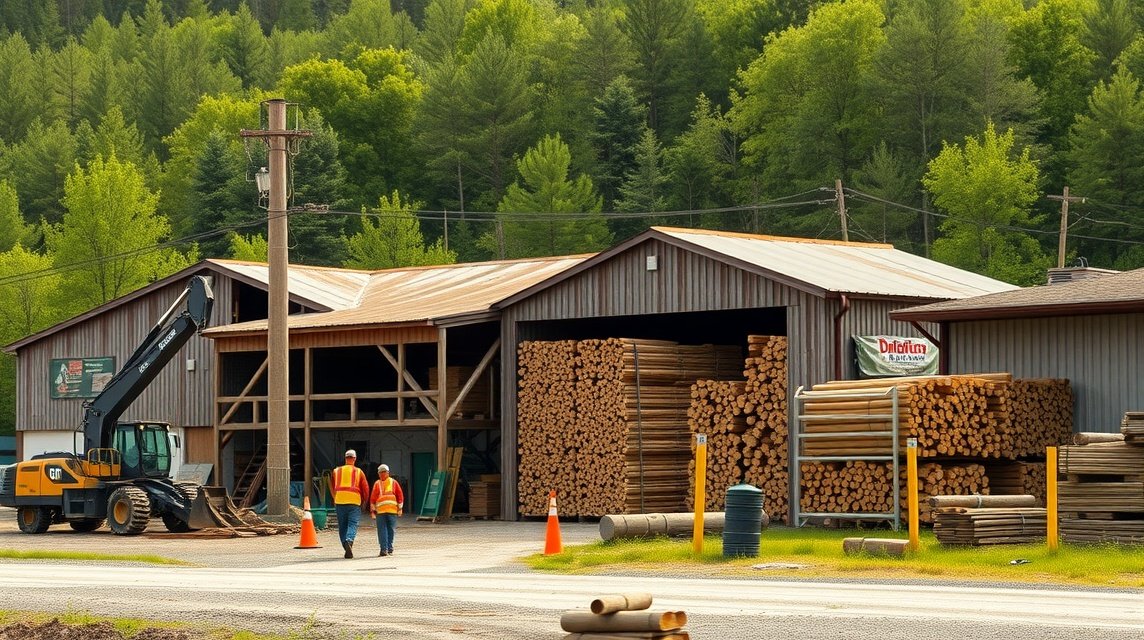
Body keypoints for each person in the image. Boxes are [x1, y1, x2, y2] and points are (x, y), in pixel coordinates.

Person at [329, 449, 369, 558]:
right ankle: (349, 540)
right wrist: (365, 502)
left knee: (342, 525)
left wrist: (335, 497)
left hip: (340, 501)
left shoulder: (336, 471)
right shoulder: (359, 471)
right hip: (354, 502)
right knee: (352, 524)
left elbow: (331, 486)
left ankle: (345, 544)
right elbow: (365, 488)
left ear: (345, 458)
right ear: (355, 459)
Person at [370, 463, 404, 557]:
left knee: (391, 530)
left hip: (392, 511)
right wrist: (372, 512)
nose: (382, 474)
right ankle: (383, 549)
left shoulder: (393, 482)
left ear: (388, 473)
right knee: (382, 531)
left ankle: (389, 548)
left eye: (384, 472)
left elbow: (399, 495)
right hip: (380, 512)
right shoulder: (377, 484)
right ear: (378, 474)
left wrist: (400, 508)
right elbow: (373, 499)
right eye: (381, 472)